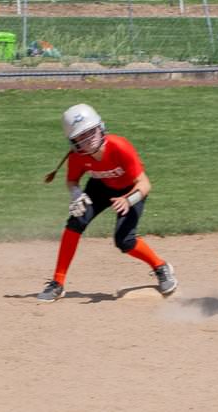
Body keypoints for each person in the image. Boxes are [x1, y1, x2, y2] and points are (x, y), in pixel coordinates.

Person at [37, 103, 178, 302]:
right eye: (81, 136)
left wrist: (128, 200)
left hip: (131, 190)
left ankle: (161, 267)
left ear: (101, 127)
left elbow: (145, 184)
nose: (89, 139)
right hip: (101, 186)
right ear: (73, 141)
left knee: (124, 241)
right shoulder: (77, 157)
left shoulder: (120, 146)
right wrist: (76, 194)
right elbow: (72, 181)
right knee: (75, 223)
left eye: (91, 132)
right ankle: (58, 283)